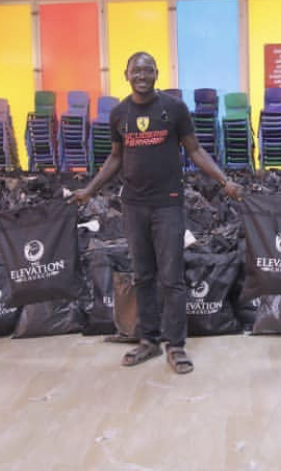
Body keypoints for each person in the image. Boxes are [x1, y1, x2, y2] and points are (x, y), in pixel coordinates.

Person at [72, 52, 243, 373]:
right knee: (143, 275)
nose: (142, 75)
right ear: (126, 74)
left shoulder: (174, 109)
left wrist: (225, 181)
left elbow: (195, 150)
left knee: (172, 278)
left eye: (148, 70)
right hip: (133, 205)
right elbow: (115, 158)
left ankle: (175, 346)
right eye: (136, 70)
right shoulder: (120, 113)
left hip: (168, 203)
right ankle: (148, 340)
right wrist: (89, 190)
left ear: (156, 74)